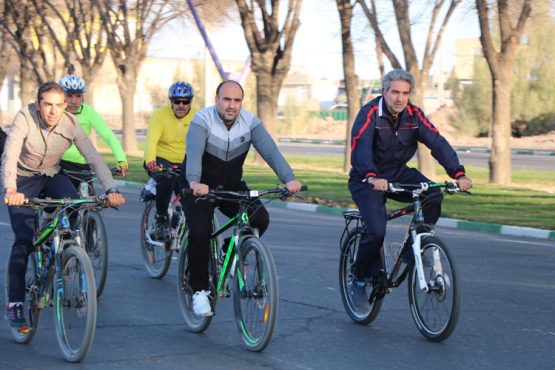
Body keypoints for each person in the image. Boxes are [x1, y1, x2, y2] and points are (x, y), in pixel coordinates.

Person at [2, 82, 126, 332]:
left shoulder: (70, 123)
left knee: (75, 206)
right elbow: (10, 153)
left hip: (51, 175)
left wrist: (111, 189)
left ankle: (66, 254)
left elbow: (93, 156)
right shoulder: (25, 118)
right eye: (48, 104)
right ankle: (15, 303)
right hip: (24, 179)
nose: (53, 111)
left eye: (59, 105)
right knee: (24, 240)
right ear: (38, 104)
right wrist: (11, 189)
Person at [348, 69, 473, 311]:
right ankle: (359, 278)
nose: (400, 98)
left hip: (398, 173)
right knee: (375, 230)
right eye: (395, 92)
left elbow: (437, 142)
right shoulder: (370, 113)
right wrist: (372, 176)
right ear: (384, 91)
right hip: (366, 179)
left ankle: (417, 243)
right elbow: (360, 147)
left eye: (405, 93)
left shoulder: (414, 116)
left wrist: (458, 173)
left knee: (433, 193)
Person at [181, 80, 302, 316]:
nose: (232, 105)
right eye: (227, 99)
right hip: (198, 187)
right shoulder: (202, 121)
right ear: (217, 100)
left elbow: (270, 151)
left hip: (232, 186)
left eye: (237, 100)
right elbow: (194, 154)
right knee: (200, 231)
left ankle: (228, 249)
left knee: (260, 219)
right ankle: (199, 291)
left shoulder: (250, 123)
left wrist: (289, 178)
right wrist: (195, 181)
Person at [144, 81, 196, 242]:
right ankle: (160, 217)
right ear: (171, 101)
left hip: (186, 161)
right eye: (177, 101)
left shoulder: (198, 116)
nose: (181, 105)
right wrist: (150, 160)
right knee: (166, 178)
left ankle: (181, 224)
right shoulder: (160, 115)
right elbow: (151, 140)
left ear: (190, 102)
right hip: (161, 158)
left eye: (185, 102)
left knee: (192, 192)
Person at [58, 74, 128, 192]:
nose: (74, 101)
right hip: (60, 164)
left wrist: (121, 159)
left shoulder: (88, 112)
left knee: (87, 204)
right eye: (69, 96)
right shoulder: (56, 112)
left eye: (78, 96)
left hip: (83, 165)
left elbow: (108, 136)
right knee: (57, 203)